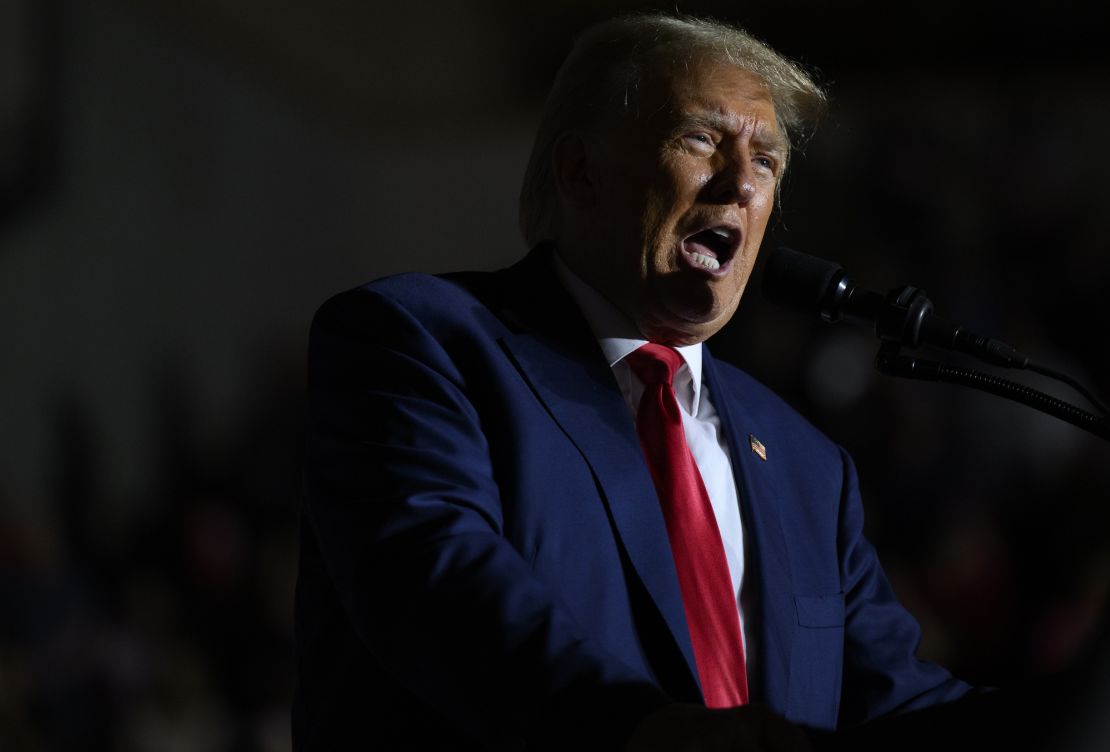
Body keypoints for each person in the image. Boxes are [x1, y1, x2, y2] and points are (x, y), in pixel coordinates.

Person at [292, 12, 973, 751]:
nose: (741, 182)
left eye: (768, 161)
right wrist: (637, 729)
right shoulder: (421, 342)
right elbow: (439, 590)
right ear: (580, 169)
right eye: (702, 139)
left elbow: (901, 705)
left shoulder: (809, 467)